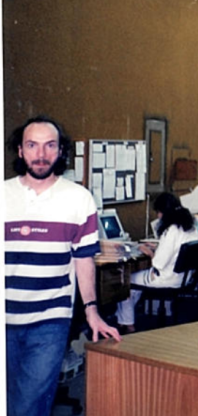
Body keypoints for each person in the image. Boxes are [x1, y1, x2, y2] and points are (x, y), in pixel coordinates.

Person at [5, 116, 121, 416]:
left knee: (28, 406)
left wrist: (92, 311)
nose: (41, 154)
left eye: (49, 145)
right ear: (20, 150)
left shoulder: (79, 199)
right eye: (32, 145)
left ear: (60, 151)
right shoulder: (3, 196)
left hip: (50, 320)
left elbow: (83, 260)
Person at [115, 193, 198, 333]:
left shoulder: (171, 230)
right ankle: (123, 319)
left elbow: (158, 263)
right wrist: (160, 247)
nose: (158, 216)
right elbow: (176, 250)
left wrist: (148, 252)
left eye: (159, 212)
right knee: (134, 287)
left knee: (126, 280)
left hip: (165, 278)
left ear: (165, 212)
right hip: (183, 278)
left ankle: (128, 324)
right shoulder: (190, 227)